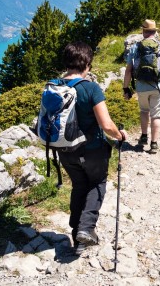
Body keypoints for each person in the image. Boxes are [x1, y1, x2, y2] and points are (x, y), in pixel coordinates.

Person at [56, 41, 128, 256]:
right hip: (92, 149)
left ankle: (77, 233)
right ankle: (86, 229)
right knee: (97, 183)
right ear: (87, 63)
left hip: (64, 149)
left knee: (79, 185)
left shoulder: (54, 86)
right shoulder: (91, 88)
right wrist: (120, 135)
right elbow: (106, 125)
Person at [123, 19, 160, 154]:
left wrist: (126, 88)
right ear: (155, 31)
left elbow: (128, 70)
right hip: (158, 85)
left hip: (141, 86)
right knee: (155, 116)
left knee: (144, 111)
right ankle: (154, 144)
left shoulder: (135, 47)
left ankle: (144, 136)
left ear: (143, 31)